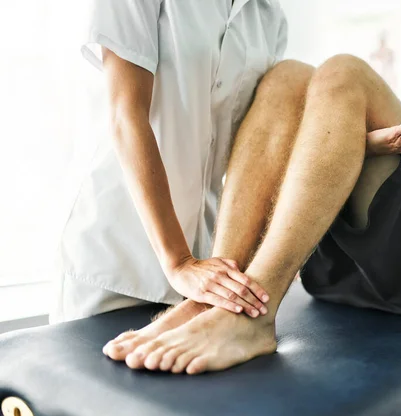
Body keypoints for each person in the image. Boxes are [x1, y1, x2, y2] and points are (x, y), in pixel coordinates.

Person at [101, 54, 401, 375]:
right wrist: (357, 149)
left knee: (344, 72)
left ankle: (254, 317)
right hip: (345, 271)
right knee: (288, 76)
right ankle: (220, 296)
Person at [54, 0, 288, 322]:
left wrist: (345, 140)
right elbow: (127, 116)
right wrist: (178, 261)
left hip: (205, 264)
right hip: (115, 257)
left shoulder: (268, 14)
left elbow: (259, 138)